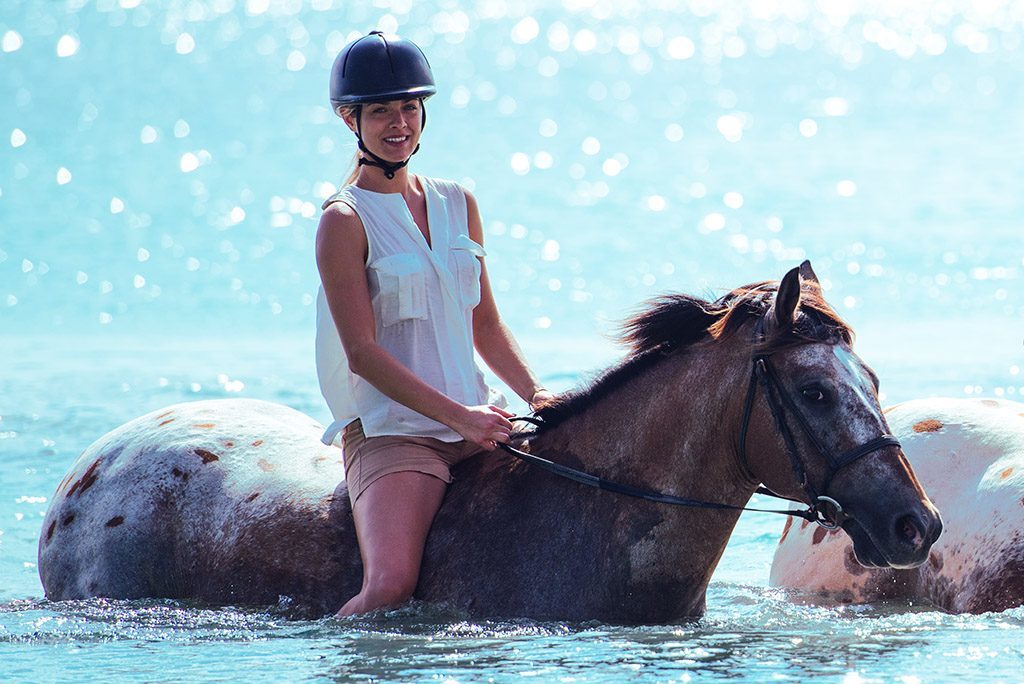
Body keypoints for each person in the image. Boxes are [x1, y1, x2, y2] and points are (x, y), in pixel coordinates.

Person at [314, 31, 553, 617]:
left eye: (409, 107)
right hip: (395, 433)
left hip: (480, 421)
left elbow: (486, 324)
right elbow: (363, 354)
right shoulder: (343, 221)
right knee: (391, 586)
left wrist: (537, 393)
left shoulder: (458, 202)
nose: (399, 123)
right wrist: (458, 418)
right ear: (351, 120)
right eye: (380, 111)